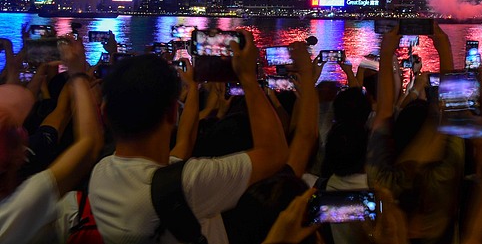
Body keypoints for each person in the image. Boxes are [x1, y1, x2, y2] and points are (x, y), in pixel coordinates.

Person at [88, 28, 288, 244]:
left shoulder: (101, 172)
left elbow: (185, 142)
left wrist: (192, 88)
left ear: (105, 113)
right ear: (174, 113)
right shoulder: (189, 184)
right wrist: (248, 78)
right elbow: (274, 154)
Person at [0, 36, 103, 242]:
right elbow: (89, 145)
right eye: (14, 130)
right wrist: (78, 75)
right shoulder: (18, 208)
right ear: (18, 157)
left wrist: (13, 56)